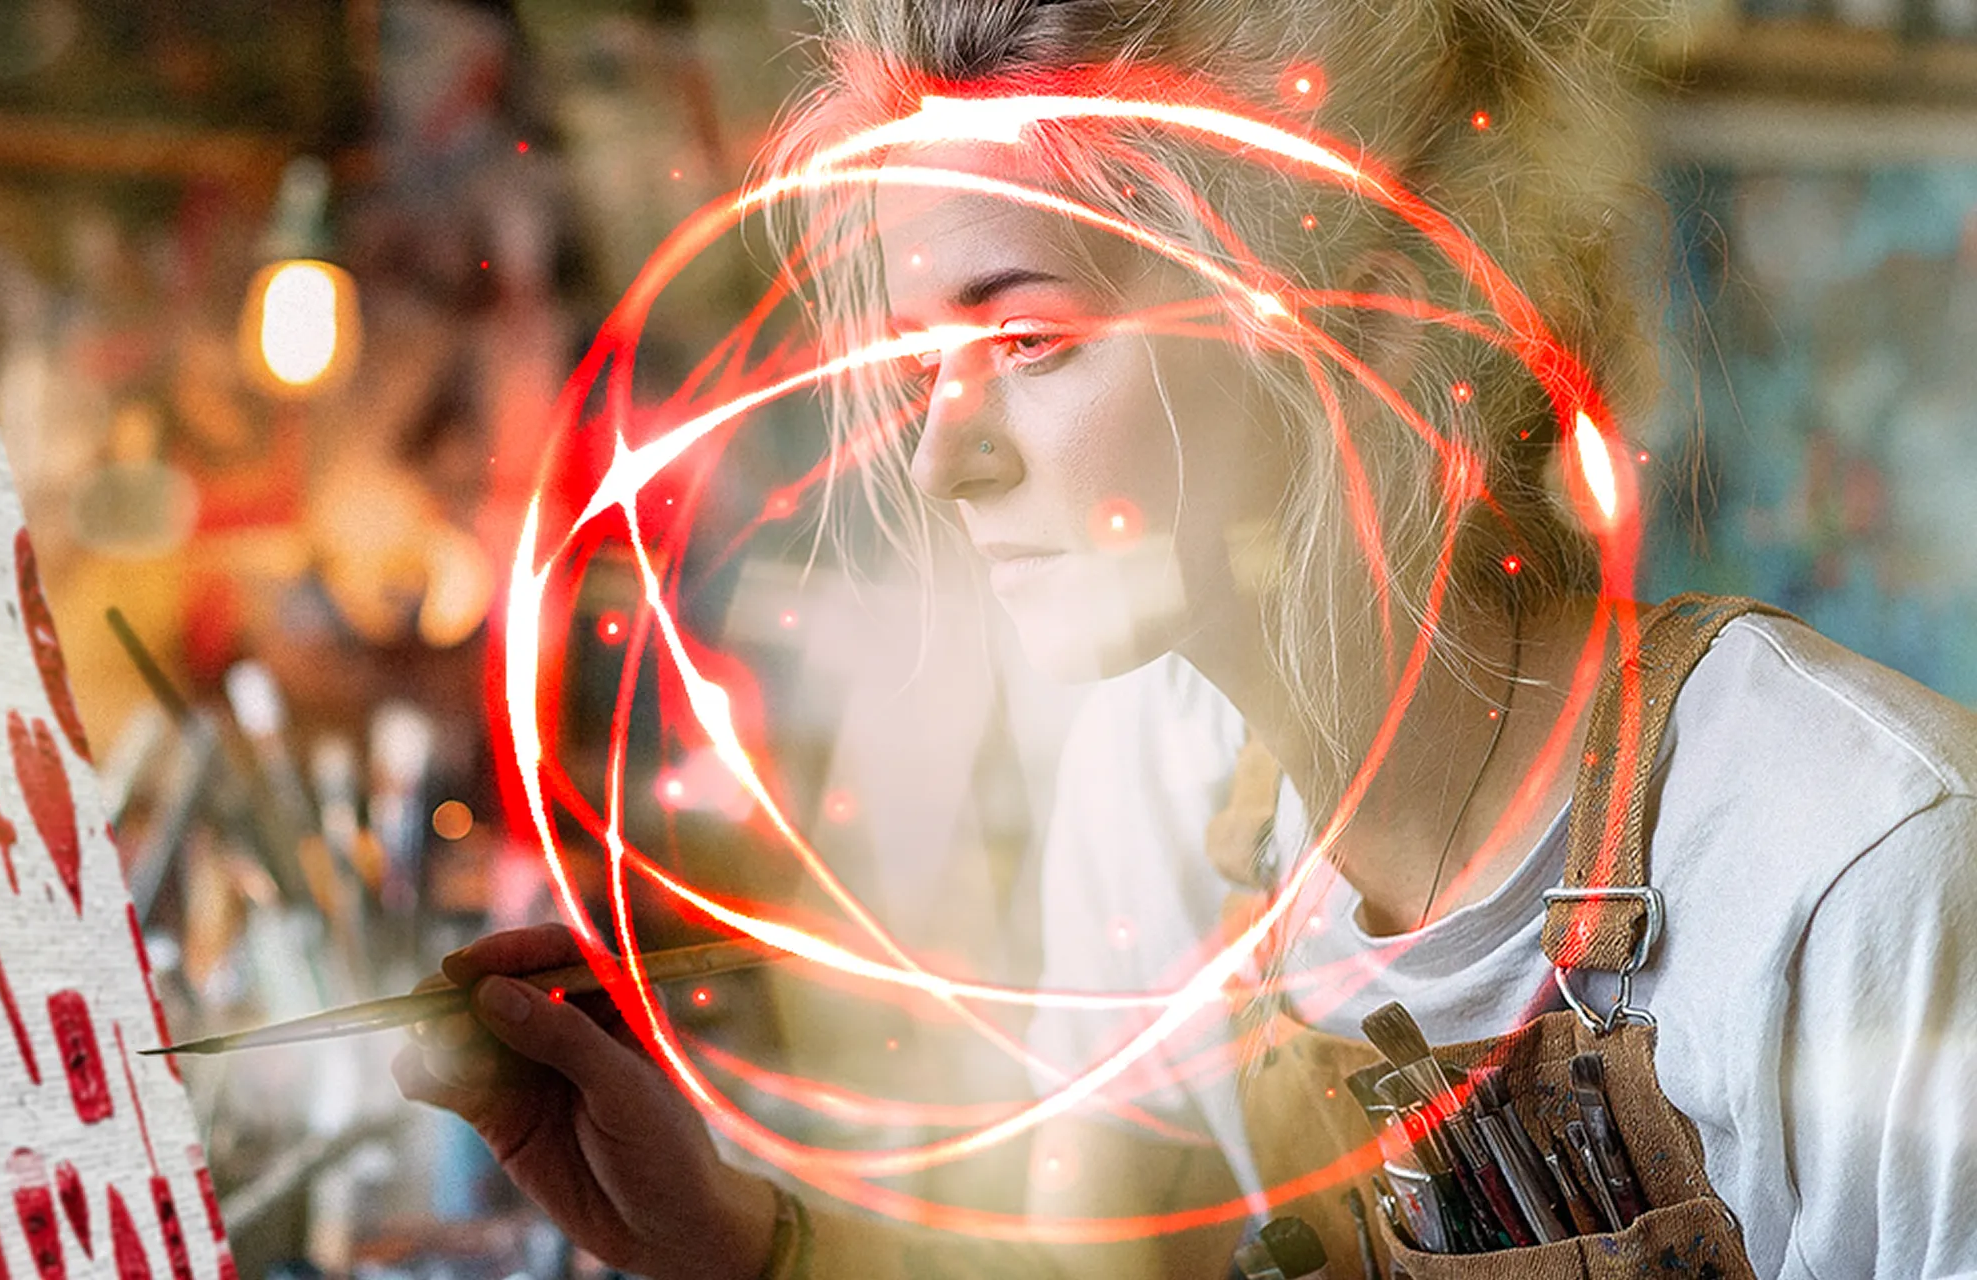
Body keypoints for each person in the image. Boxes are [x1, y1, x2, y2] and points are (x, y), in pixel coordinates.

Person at [393, 1, 1977, 1276]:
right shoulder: (1154, 775)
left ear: (1358, 323)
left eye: (1029, 338)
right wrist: (743, 1243)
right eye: (920, 365)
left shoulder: (1863, 872)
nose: (942, 459)